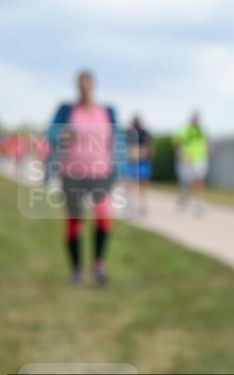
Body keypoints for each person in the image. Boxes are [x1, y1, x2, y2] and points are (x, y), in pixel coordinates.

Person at [45, 70, 125, 285]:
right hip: (72, 173)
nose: (84, 89)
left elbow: (118, 141)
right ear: (76, 87)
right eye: (80, 86)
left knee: (103, 217)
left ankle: (98, 264)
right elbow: (50, 135)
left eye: (87, 85)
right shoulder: (67, 111)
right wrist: (63, 133)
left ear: (93, 86)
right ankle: (76, 270)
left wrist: (121, 169)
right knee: (74, 221)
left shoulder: (107, 112)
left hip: (101, 173)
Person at [174, 112, 209, 216]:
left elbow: (206, 142)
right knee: (187, 182)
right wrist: (181, 154)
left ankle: (198, 203)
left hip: (200, 159)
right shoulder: (184, 130)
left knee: (199, 180)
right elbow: (176, 143)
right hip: (187, 160)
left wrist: (207, 149)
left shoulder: (202, 131)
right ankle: (185, 196)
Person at [127, 115, 154, 215]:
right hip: (132, 161)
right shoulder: (129, 133)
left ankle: (142, 205)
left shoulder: (145, 133)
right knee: (130, 183)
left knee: (142, 184)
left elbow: (149, 147)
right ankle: (131, 204)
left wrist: (145, 154)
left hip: (142, 161)